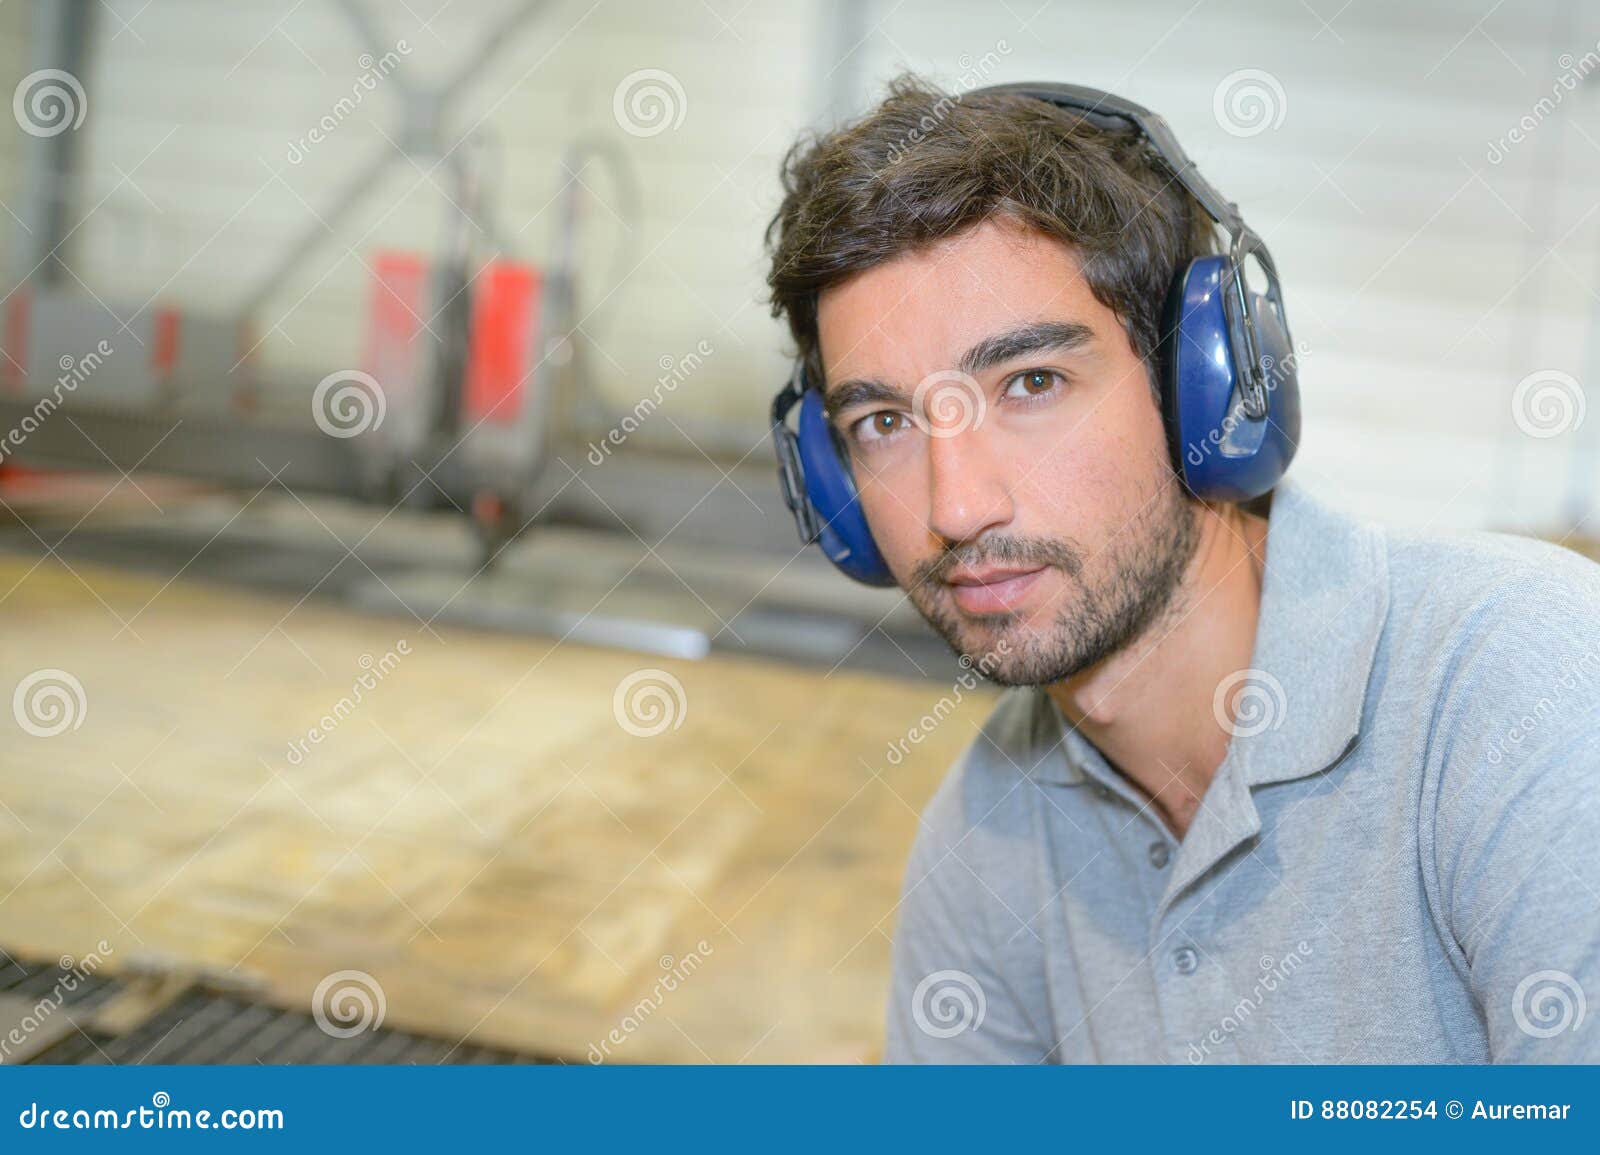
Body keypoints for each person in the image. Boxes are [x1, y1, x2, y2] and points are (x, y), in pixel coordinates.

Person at [763, 75, 1600, 1062]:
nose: (954, 508)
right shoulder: (984, 845)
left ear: (1203, 389)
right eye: (885, 423)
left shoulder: (1524, 690)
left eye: (1030, 383)